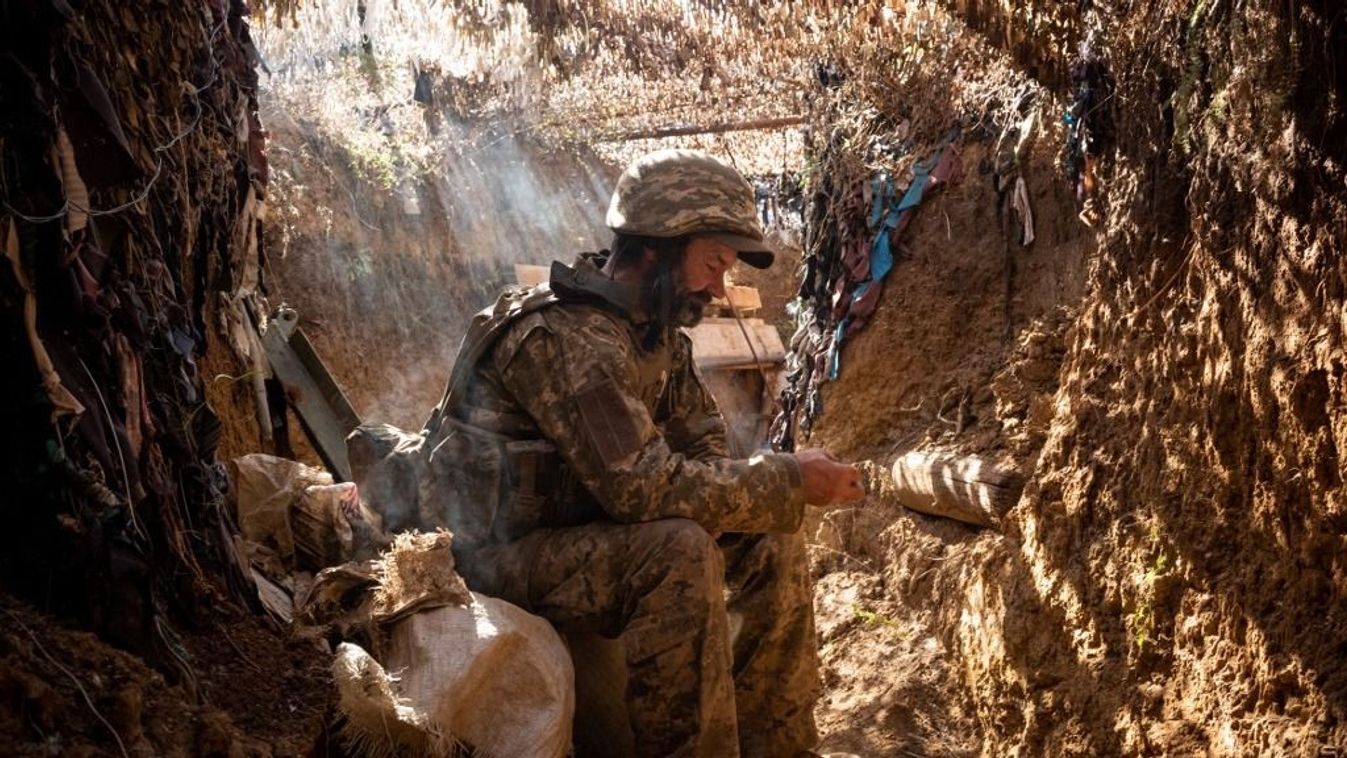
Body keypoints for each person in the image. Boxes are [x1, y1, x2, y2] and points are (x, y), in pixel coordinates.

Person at [421, 149, 865, 757]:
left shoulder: (652, 335)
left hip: (579, 536)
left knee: (767, 534)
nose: (719, 285)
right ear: (655, 247)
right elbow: (641, 487)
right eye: (713, 262)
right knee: (676, 550)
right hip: (495, 554)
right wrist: (786, 479)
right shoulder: (568, 336)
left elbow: (703, 449)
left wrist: (755, 496)